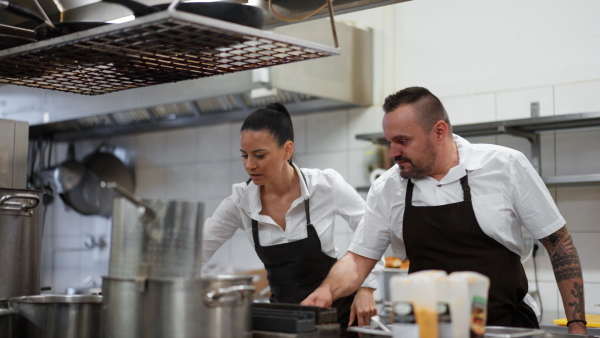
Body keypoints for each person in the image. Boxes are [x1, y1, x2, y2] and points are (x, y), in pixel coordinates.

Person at [302, 87, 587, 335]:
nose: (392, 153)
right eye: (390, 142)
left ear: (439, 131)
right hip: (427, 330)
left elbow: (558, 243)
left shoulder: (505, 166)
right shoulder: (388, 188)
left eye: (403, 141)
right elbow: (358, 258)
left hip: (504, 326)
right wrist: (327, 291)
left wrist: (576, 326)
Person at [201, 102, 384, 336]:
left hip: (337, 319)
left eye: (259, 155)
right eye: (244, 155)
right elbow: (196, 249)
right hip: (283, 325)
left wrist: (366, 288)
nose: (249, 165)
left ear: (287, 150)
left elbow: (372, 229)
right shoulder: (240, 201)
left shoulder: (325, 185)